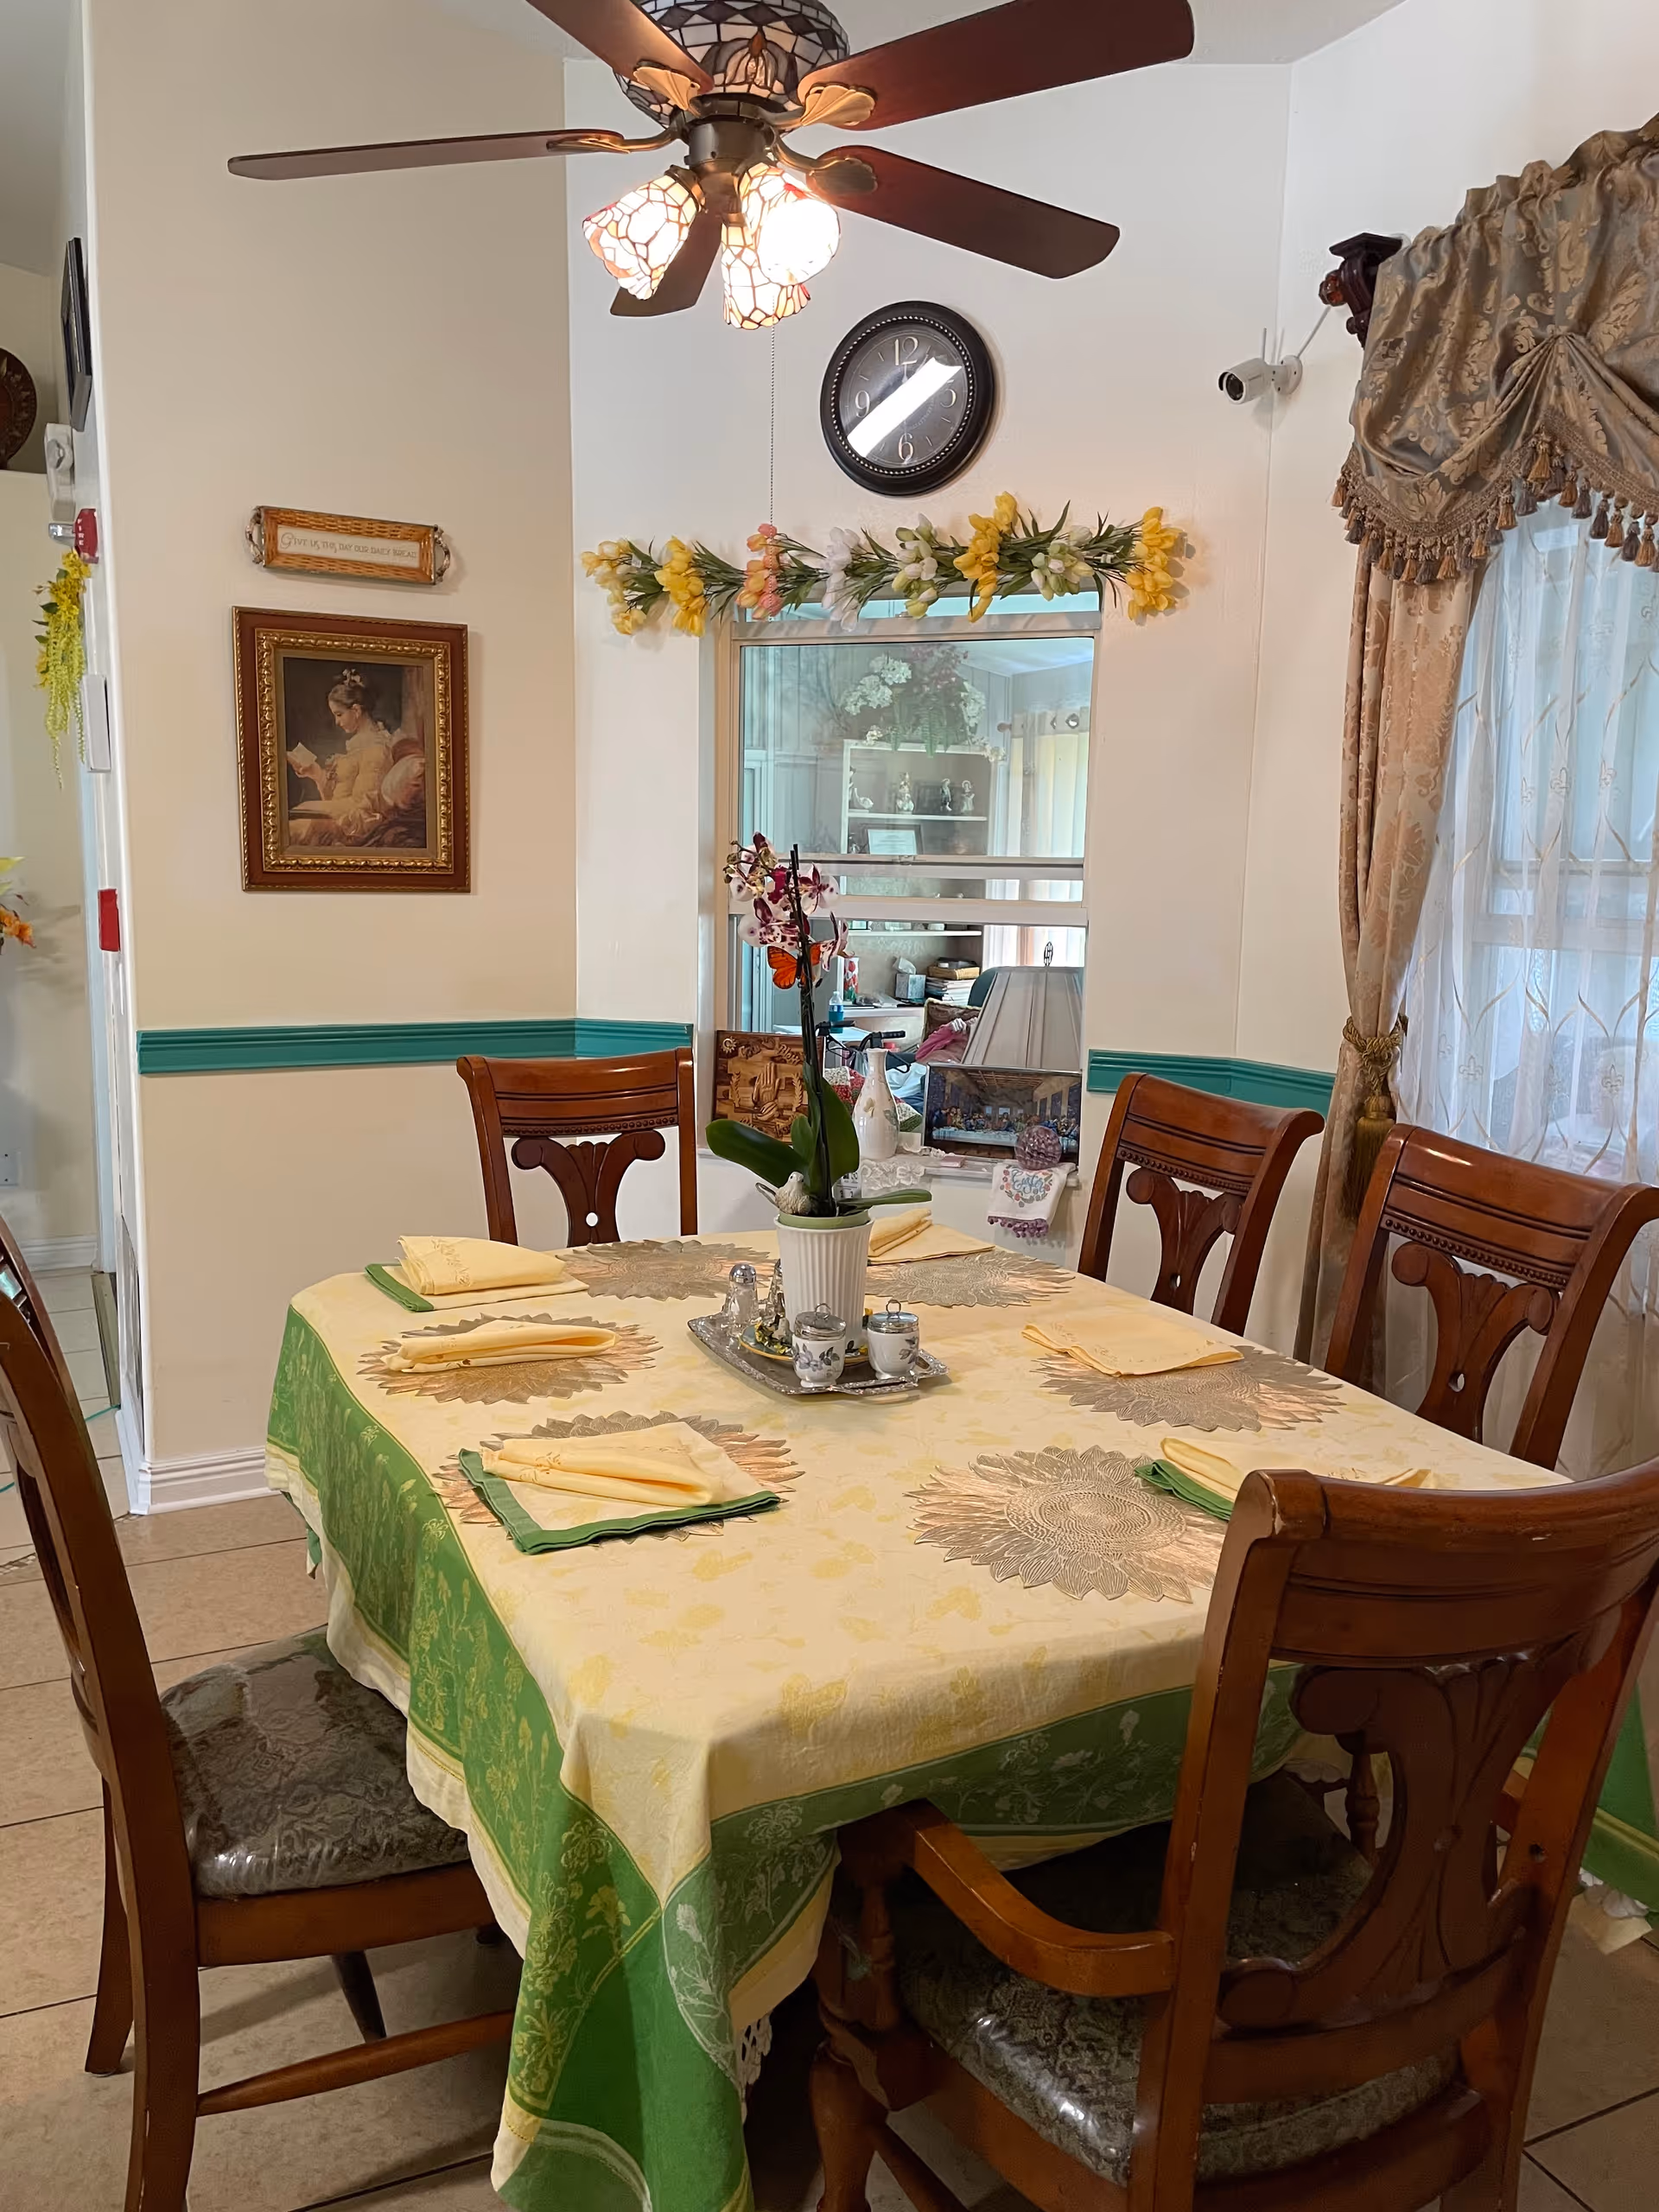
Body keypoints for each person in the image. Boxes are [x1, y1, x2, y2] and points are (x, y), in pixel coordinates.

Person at [286, 669, 397, 846]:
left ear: (356, 710)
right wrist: (316, 774)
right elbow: (337, 801)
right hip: (339, 821)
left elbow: (362, 809)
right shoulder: (357, 746)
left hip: (354, 828)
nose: (337, 722)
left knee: (291, 829)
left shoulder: (376, 749)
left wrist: (309, 806)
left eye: (339, 714)